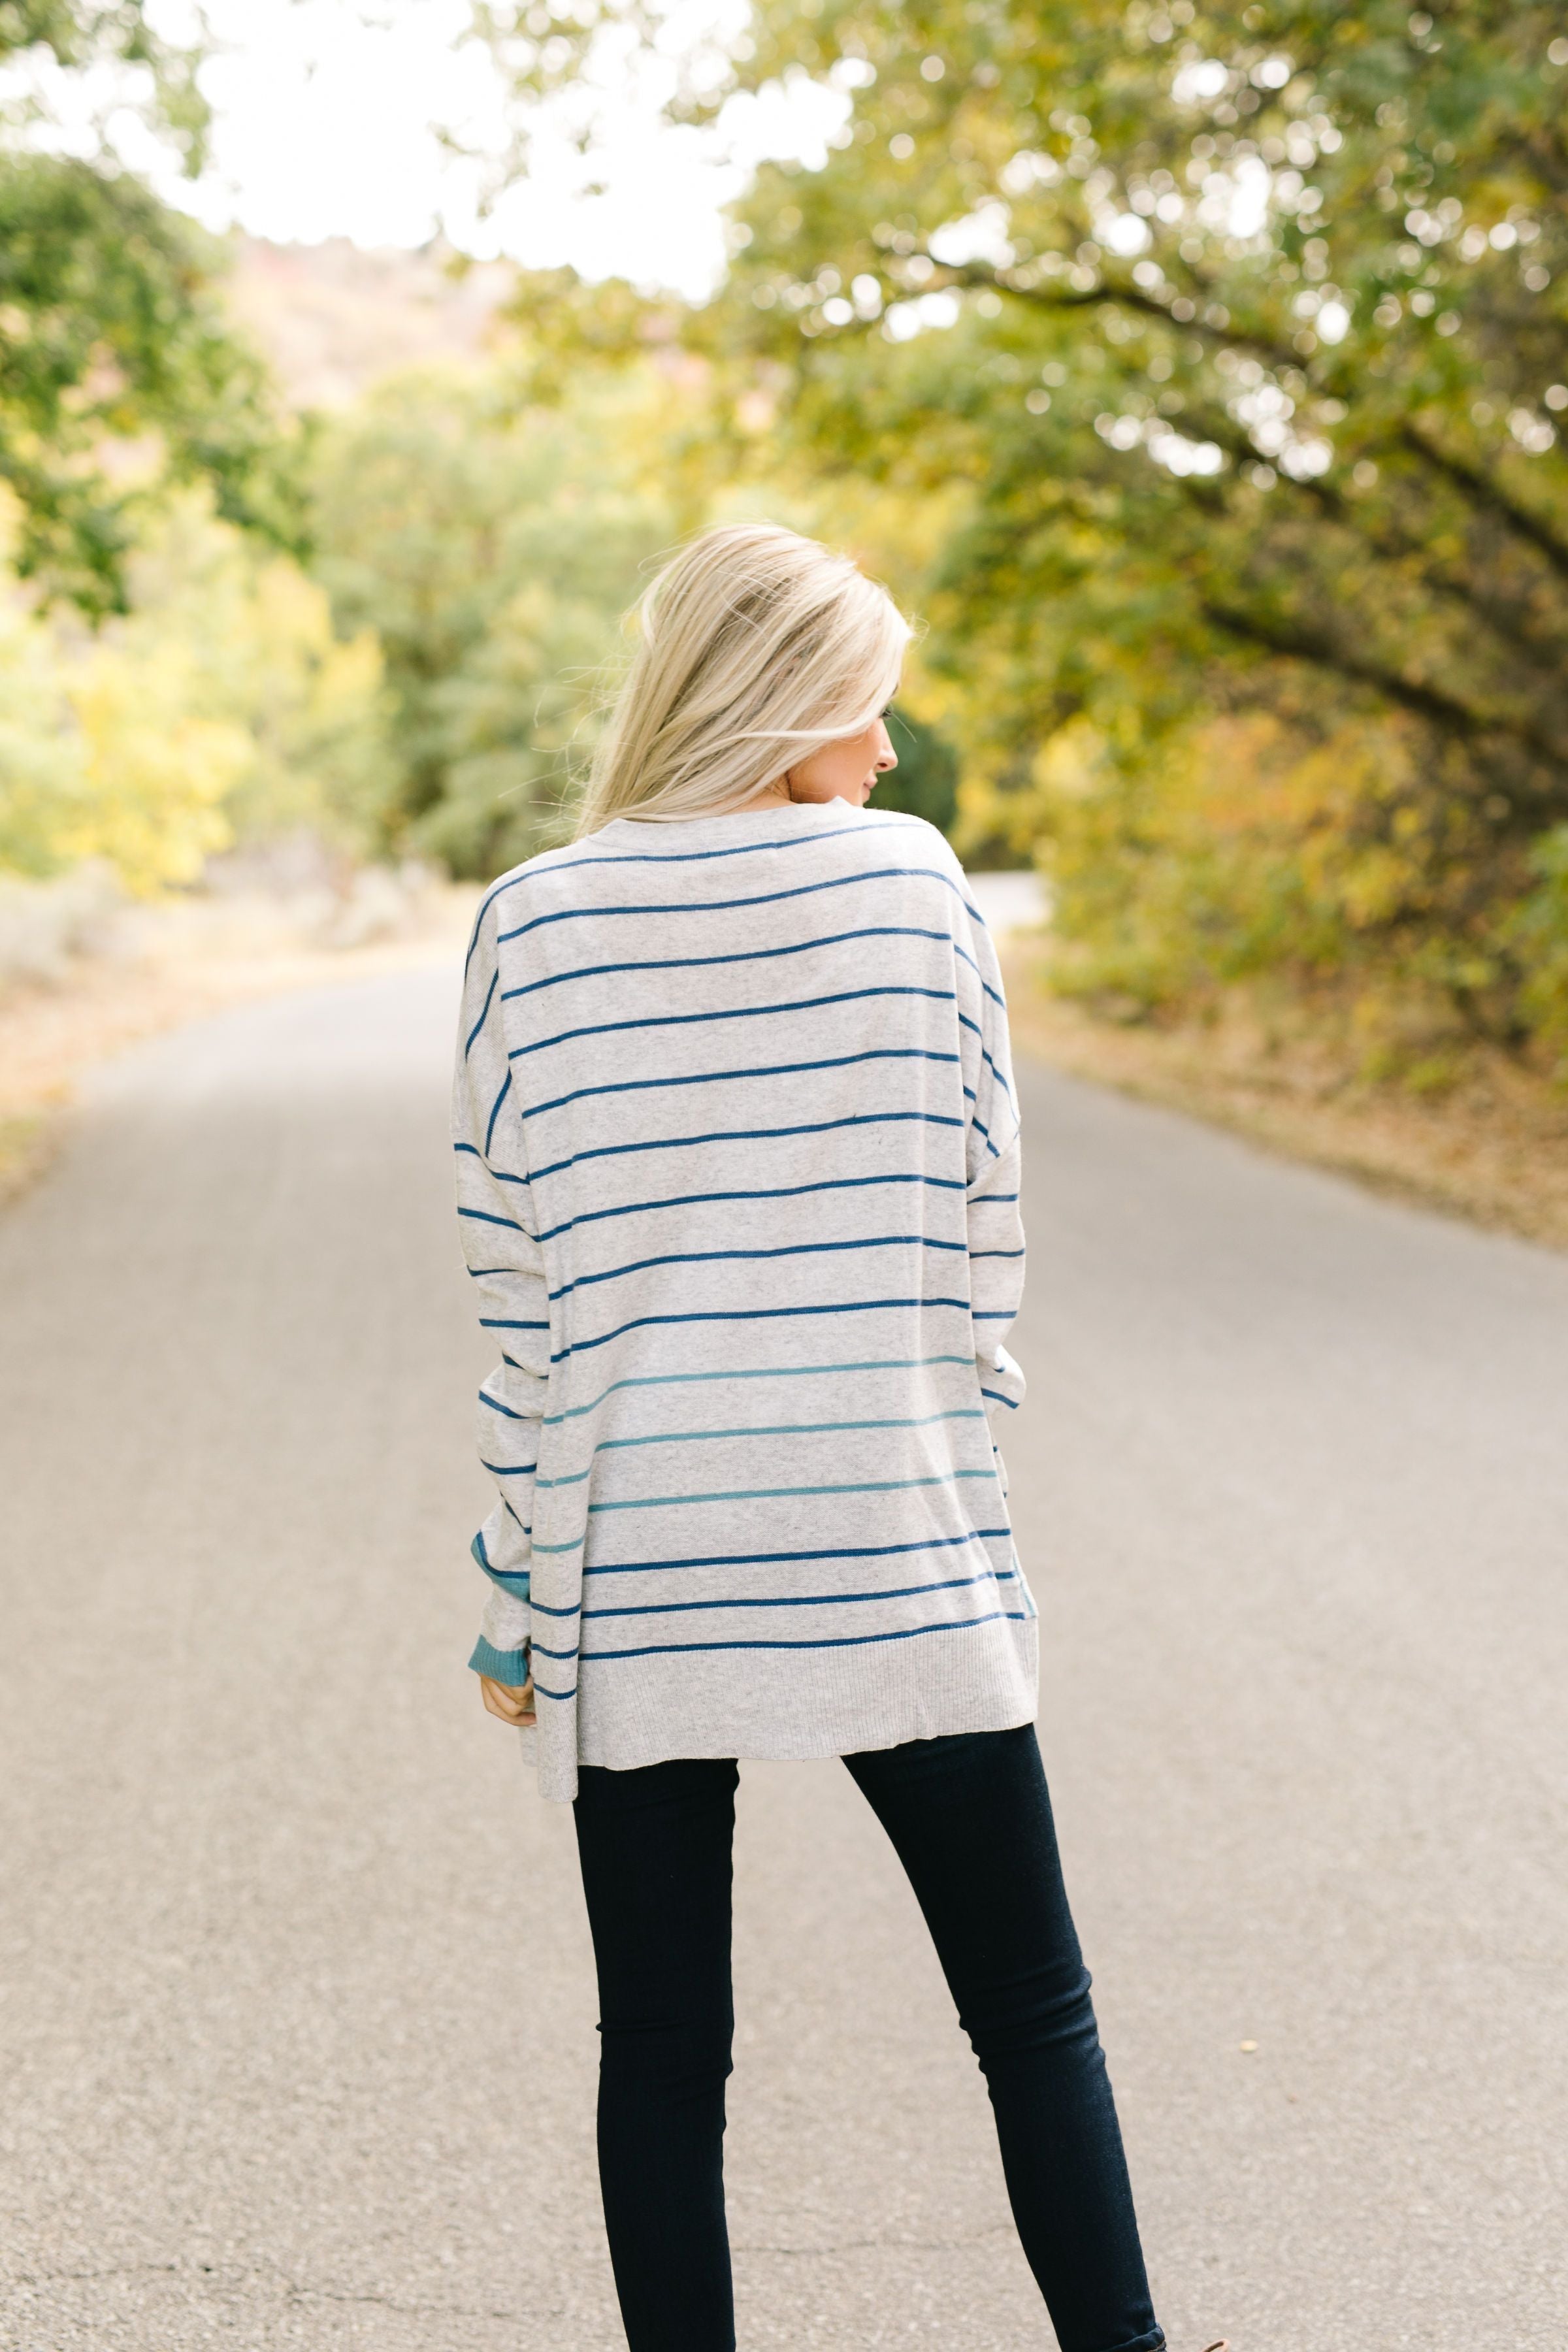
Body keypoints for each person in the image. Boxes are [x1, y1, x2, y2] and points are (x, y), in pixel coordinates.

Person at [451, 524, 1216, 2352]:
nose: (886, 746)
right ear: (778, 700)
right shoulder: (916, 887)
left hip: (640, 1567)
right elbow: (982, 1241)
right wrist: (957, 1467)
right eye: (864, 704)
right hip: (891, 1537)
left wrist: (514, 1597)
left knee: (663, 2055)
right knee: (1031, 2012)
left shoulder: (528, 926)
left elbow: (521, 1303)